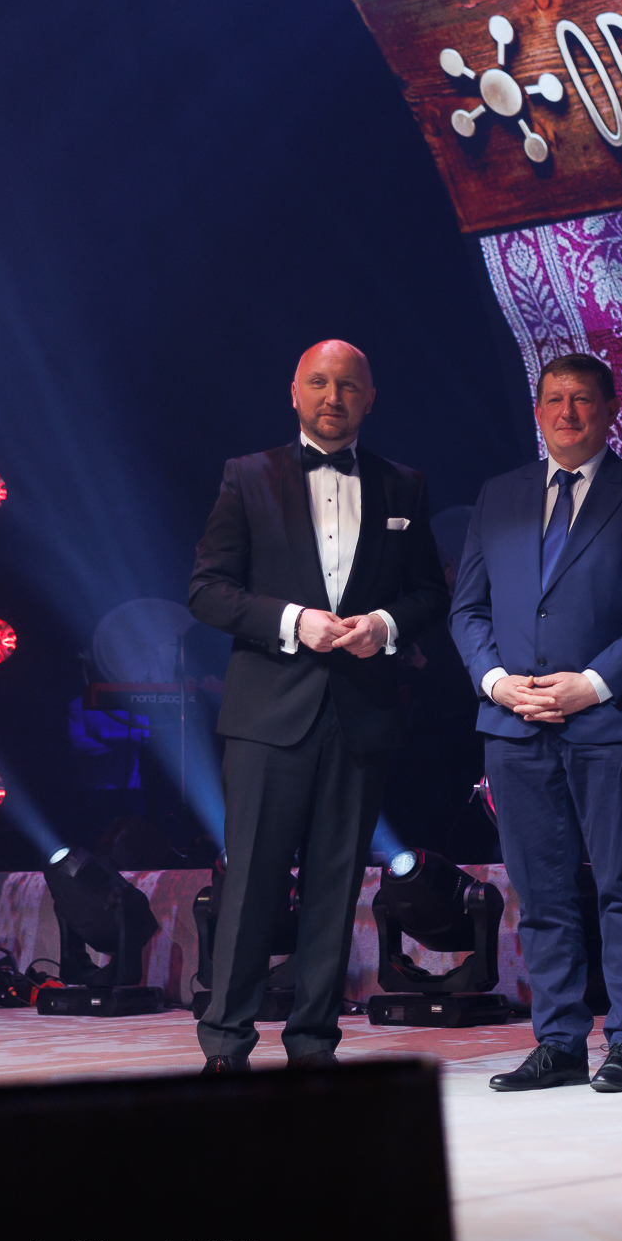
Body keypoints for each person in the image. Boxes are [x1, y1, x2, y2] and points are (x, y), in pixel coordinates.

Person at [187, 340, 448, 1071]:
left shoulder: (404, 486)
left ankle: (313, 1048)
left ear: (371, 398)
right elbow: (207, 590)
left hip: (359, 713)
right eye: (321, 383)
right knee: (251, 885)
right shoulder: (247, 476)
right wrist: (291, 620)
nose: (334, 397)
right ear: (295, 391)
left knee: (336, 887)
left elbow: (430, 594)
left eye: (349, 386)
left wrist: (384, 625)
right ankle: (226, 1045)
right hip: (267, 716)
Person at [449, 353, 622, 1094]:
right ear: (537, 410)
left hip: (613, 720)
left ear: (612, 410)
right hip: (513, 725)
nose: (567, 413)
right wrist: (496, 682)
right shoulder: (500, 494)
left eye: (582, 399)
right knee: (541, 895)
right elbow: (468, 609)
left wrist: (593, 684)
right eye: (553, 400)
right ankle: (560, 1042)